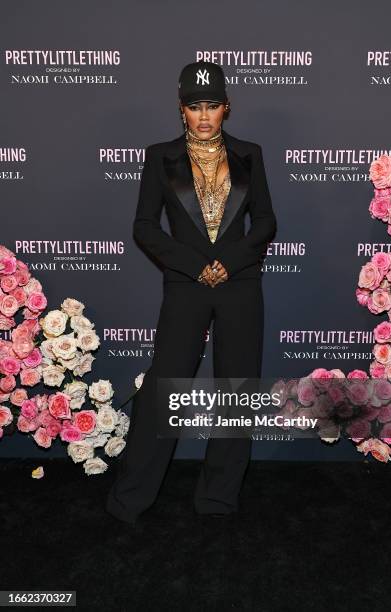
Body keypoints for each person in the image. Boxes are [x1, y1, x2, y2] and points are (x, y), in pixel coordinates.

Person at [106, 60, 276, 525]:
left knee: (237, 389)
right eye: (194, 106)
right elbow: (145, 226)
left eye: (212, 106)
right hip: (186, 284)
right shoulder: (160, 156)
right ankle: (131, 498)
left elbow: (264, 221)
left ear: (227, 108)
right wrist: (197, 265)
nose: (204, 116)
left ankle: (219, 498)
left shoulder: (250, 154)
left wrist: (232, 262)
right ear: (182, 109)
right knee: (164, 387)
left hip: (240, 284)